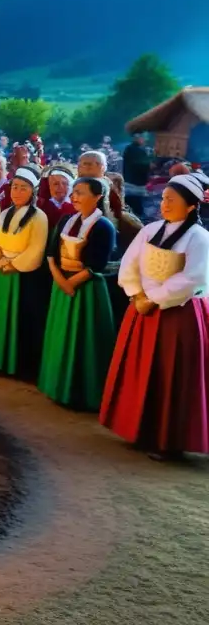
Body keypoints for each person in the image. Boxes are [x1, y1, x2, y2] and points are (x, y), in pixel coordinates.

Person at [100, 173, 209, 460]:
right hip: (143, 311)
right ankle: (140, 430)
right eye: (163, 199)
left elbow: (193, 278)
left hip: (178, 315)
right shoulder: (150, 230)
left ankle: (169, 442)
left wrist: (155, 299)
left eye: (171, 200)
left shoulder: (200, 238)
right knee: (142, 371)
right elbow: (129, 263)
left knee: (170, 376)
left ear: (190, 206)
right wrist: (137, 295)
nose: (164, 204)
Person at [37, 177, 117, 411]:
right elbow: (52, 252)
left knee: (84, 339)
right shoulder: (66, 220)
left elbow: (96, 264)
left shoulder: (103, 226)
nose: (75, 197)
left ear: (98, 197)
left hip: (87, 290)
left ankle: (82, 393)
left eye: (81, 192)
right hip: (63, 286)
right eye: (75, 192)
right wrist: (61, 280)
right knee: (60, 335)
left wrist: (72, 283)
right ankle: (55, 385)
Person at [0, 166, 50, 381]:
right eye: (14, 187)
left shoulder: (39, 217)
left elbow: (37, 248)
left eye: (23, 188)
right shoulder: (6, 212)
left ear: (32, 192)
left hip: (22, 275)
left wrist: (15, 264)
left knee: (19, 319)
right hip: (2, 270)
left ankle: (15, 364)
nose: (16, 192)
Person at [121, 134, 152, 220]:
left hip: (129, 181)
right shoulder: (137, 151)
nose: (145, 141)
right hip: (135, 184)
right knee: (137, 208)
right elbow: (144, 165)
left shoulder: (129, 149)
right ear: (138, 138)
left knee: (130, 207)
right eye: (143, 138)